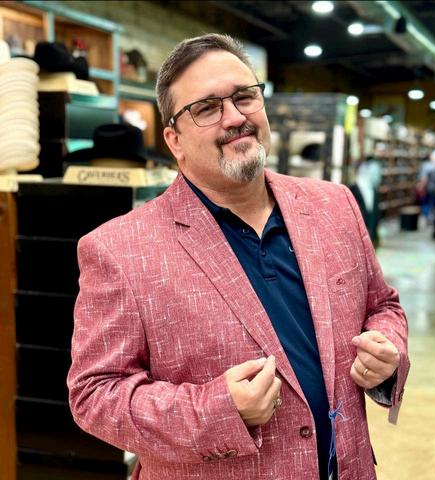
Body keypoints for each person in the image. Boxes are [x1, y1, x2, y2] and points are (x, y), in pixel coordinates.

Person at [67, 34, 409, 480]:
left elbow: (382, 305)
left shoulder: (335, 205)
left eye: (244, 96)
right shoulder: (119, 249)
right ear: (174, 139)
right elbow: (94, 394)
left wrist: (387, 351)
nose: (235, 117)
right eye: (207, 108)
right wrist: (214, 411)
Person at [419, 148, 435, 224]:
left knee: (426, 203)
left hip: (428, 188)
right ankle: (433, 219)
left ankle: (428, 219)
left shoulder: (427, 166)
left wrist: (421, 187)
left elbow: (424, 179)